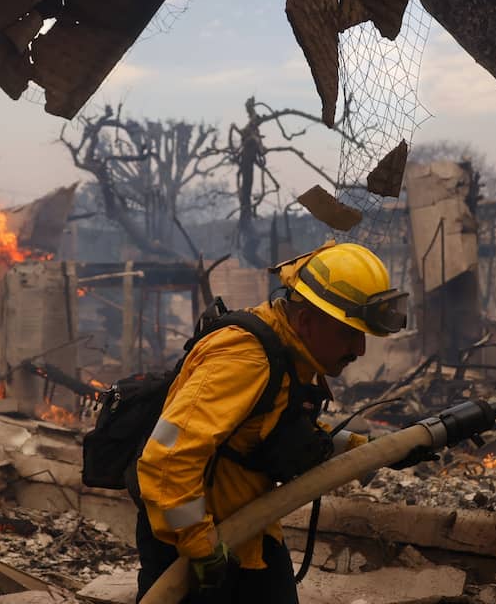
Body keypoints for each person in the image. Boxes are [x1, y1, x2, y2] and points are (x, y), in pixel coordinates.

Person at [134, 242, 408, 603]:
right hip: (195, 543)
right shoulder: (246, 359)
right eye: (348, 333)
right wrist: (199, 545)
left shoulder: (288, 350)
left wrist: (368, 452)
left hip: (249, 533)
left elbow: (272, 431)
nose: (359, 349)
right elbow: (167, 454)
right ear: (306, 320)